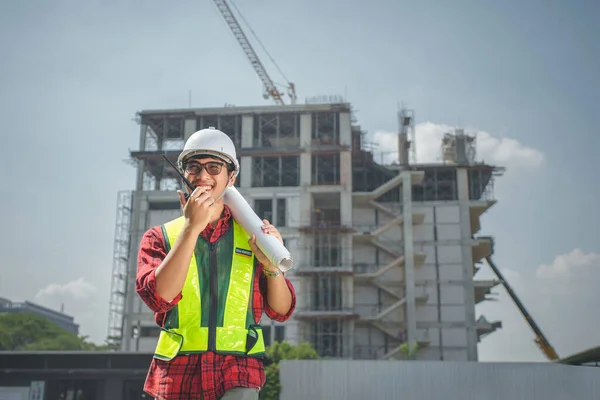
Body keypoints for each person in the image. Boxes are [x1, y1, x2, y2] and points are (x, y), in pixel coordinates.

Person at [136, 127, 296, 400]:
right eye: (193, 167)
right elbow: (159, 298)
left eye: (214, 167)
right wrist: (190, 230)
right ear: (183, 173)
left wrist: (271, 266)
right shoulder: (159, 237)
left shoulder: (253, 236)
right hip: (177, 377)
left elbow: (281, 311)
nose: (203, 176)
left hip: (238, 372)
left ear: (230, 176)